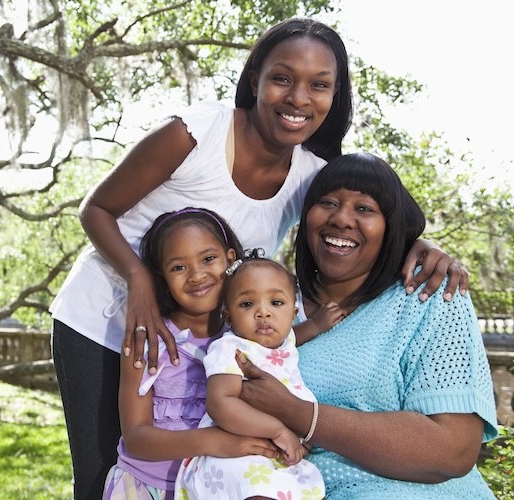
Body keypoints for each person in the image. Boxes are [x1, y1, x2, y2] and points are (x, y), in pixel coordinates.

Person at [49, 17, 468, 499]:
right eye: (283, 78)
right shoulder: (197, 133)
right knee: (110, 471)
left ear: (335, 97)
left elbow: (374, 211)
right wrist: (140, 283)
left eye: (320, 85)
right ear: (256, 80)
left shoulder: (313, 172)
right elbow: (96, 208)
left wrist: (422, 246)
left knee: (189, 475)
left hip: (203, 344)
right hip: (105, 324)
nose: (298, 98)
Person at [236, 152, 498, 499]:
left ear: (389, 227)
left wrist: (298, 413)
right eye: (328, 202)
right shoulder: (262, 306)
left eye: (365, 209)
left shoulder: (432, 297)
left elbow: (452, 450)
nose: (342, 218)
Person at [102, 207, 278, 499]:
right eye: (178, 267)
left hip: (218, 487)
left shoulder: (250, 339)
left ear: (230, 260)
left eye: (208, 259)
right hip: (146, 486)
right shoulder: (146, 341)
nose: (197, 275)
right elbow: (135, 438)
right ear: (162, 277)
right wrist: (216, 442)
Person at [176, 252, 327, 499]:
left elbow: (294, 336)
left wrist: (318, 325)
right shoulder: (230, 349)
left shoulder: (283, 341)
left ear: (293, 313)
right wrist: (277, 430)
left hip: (275, 453)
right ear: (229, 317)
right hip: (235, 449)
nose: (263, 313)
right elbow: (220, 404)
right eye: (247, 304)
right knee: (258, 488)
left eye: (276, 303)